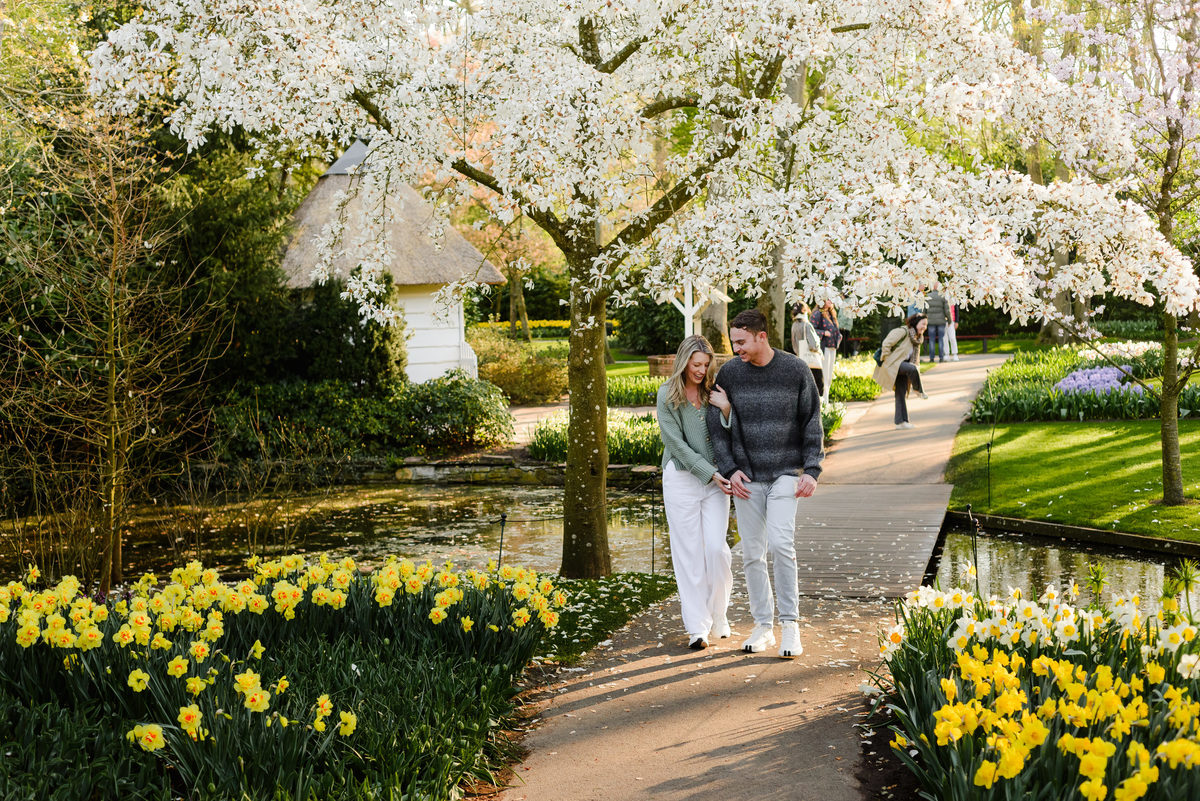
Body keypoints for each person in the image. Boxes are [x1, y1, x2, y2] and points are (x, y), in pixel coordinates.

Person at [706, 309, 823, 659]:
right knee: (752, 553)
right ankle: (763, 626)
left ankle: (790, 626)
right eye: (732, 341)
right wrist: (729, 468)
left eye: (740, 341)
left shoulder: (796, 370)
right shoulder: (730, 373)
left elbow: (812, 422)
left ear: (761, 336)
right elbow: (716, 426)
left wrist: (812, 470)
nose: (735, 347)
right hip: (747, 478)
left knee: (782, 545)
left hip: (786, 474)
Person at [656, 335, 734, 651]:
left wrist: (727, 409)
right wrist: (710, 474)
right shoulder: (667, 395)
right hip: (681, 480)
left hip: (716, 482)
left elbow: (730, 435)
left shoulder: (715, 391)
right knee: (688, 553)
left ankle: (719, 614)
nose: (701, 370)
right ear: (684, 361)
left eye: (705, 365)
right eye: (696, 364)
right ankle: (697, 628)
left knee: (717, 550)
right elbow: (675, 444)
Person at [873, 314, 929, 430]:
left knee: (901, 393)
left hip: (901, 366)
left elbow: (913, 358)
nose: (925, 327)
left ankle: (901, 422)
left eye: (926, 325)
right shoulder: (903, 331)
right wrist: (888, 359)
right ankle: (919, 390)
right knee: (913, 369)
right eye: (923, 324)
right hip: (894, 364)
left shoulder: (917, 339)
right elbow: (886, 343)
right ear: (915, 323)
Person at [790, 303, 825, 397]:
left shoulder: (794, 325)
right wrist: (819, 348)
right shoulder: (807, 325)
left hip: (801, 359)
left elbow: (794, 345)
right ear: (803, 310)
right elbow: (813, 345)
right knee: (818, 387)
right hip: (813, 361)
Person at [810, 300, 841, 405]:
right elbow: (811, 330)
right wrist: (824, 333)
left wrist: (838, 336)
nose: (831, 301)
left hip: (832, 348)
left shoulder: (831, 313)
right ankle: (823, 403)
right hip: (824, 349)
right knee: (824, 377)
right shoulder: (817, 314)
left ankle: (826, 402)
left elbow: (835, 330)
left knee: (829, 377)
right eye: (828, 299)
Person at [924, 290, 951, 363]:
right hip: (941, 321)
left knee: (931, 340)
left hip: (931, 321)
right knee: (940, 339)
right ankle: (941, 357)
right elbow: (947, 310)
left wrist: (924, 320)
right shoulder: (942, 296)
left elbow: (924, 310)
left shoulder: (928, 296)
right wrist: (949, 320)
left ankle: (932, 358)